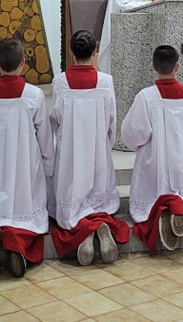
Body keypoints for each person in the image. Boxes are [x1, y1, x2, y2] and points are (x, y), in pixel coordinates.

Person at [0, 38, 53, 279]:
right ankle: (16, 244)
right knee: (28, 216)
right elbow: (45, 135)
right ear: (23, 62)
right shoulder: (34, 94)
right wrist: (48, 164)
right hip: (25, 166)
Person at [48, 31, 128, 265]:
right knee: (100, 199)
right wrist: (105, 145)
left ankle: (84, 233)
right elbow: (112, 119)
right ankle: (97, 226)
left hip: (71, 153)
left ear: (70, 52)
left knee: (69, 207)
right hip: (97, 152)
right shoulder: (106, 81)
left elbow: (55, 118)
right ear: (95, 52)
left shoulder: (60, 82)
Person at [122, 45, 183, 253]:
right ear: (178, 66)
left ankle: (160, 214)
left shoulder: (146, 97)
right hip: (182, 162)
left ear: (152, 67)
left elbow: (132, 135)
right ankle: (178, 209)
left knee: (148, 202)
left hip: (154, 163)